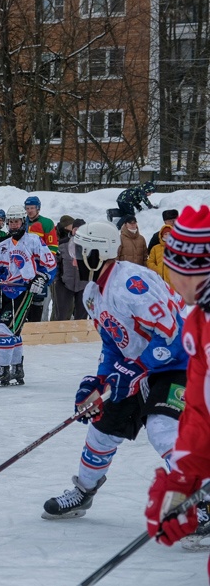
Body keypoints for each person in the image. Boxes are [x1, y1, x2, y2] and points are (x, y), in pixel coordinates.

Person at [42, 220, 187, 519]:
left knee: (163, 429)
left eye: (79, 251)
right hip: (138, 365)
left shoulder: (133, 284)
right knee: (102, 429)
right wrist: (99, 381)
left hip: (179, 363)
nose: (73, 258)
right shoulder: (92, 294)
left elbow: (172, 334)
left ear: (96, 254)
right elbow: (113, 344)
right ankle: (83, 491)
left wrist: (135, 368)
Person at [145, 204, 210, 556]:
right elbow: (201, 413)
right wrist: (183, 481)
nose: (169, 277)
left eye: (175, 268)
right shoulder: (197, 322)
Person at [0, 205, 56, 386]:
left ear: (24, 222)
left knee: (4, 328)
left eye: (17, 221)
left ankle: (3, 369)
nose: (14, 225)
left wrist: (42, 278)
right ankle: (16, 369)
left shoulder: (34, 241)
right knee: (14, 331)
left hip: (25, 290)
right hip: (7, 292)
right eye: (11, 222)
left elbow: (50, 264)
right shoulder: (3, 245)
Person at [23, 196, 58, 323]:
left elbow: (52, 247)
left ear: (38, 208)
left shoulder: (47, 223)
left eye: (32, 208)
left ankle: (39, 323)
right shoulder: (22, 221)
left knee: (40, 297)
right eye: (27, 208)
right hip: (25, 266)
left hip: (40, 268)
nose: (29, 211)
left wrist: (46, 267)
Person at [53, 218, 89, 321]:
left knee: (82, 316)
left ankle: (79, 336)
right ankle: (59, 335)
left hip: (83, 284)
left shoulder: (90, 245)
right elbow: (56, 262)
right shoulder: (62, 244)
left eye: (81, 229)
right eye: (76, 229)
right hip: (65, 283)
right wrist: (57, 279)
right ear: (72, 230)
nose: (77, 232)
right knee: (61, 314)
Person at [147, 209, 179, 286]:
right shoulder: (157, 236)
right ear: (165, 222)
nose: (174, 223)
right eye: (171, 221)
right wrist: (158, 269)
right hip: (162, 277)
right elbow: (150, 254)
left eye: (176, 220)